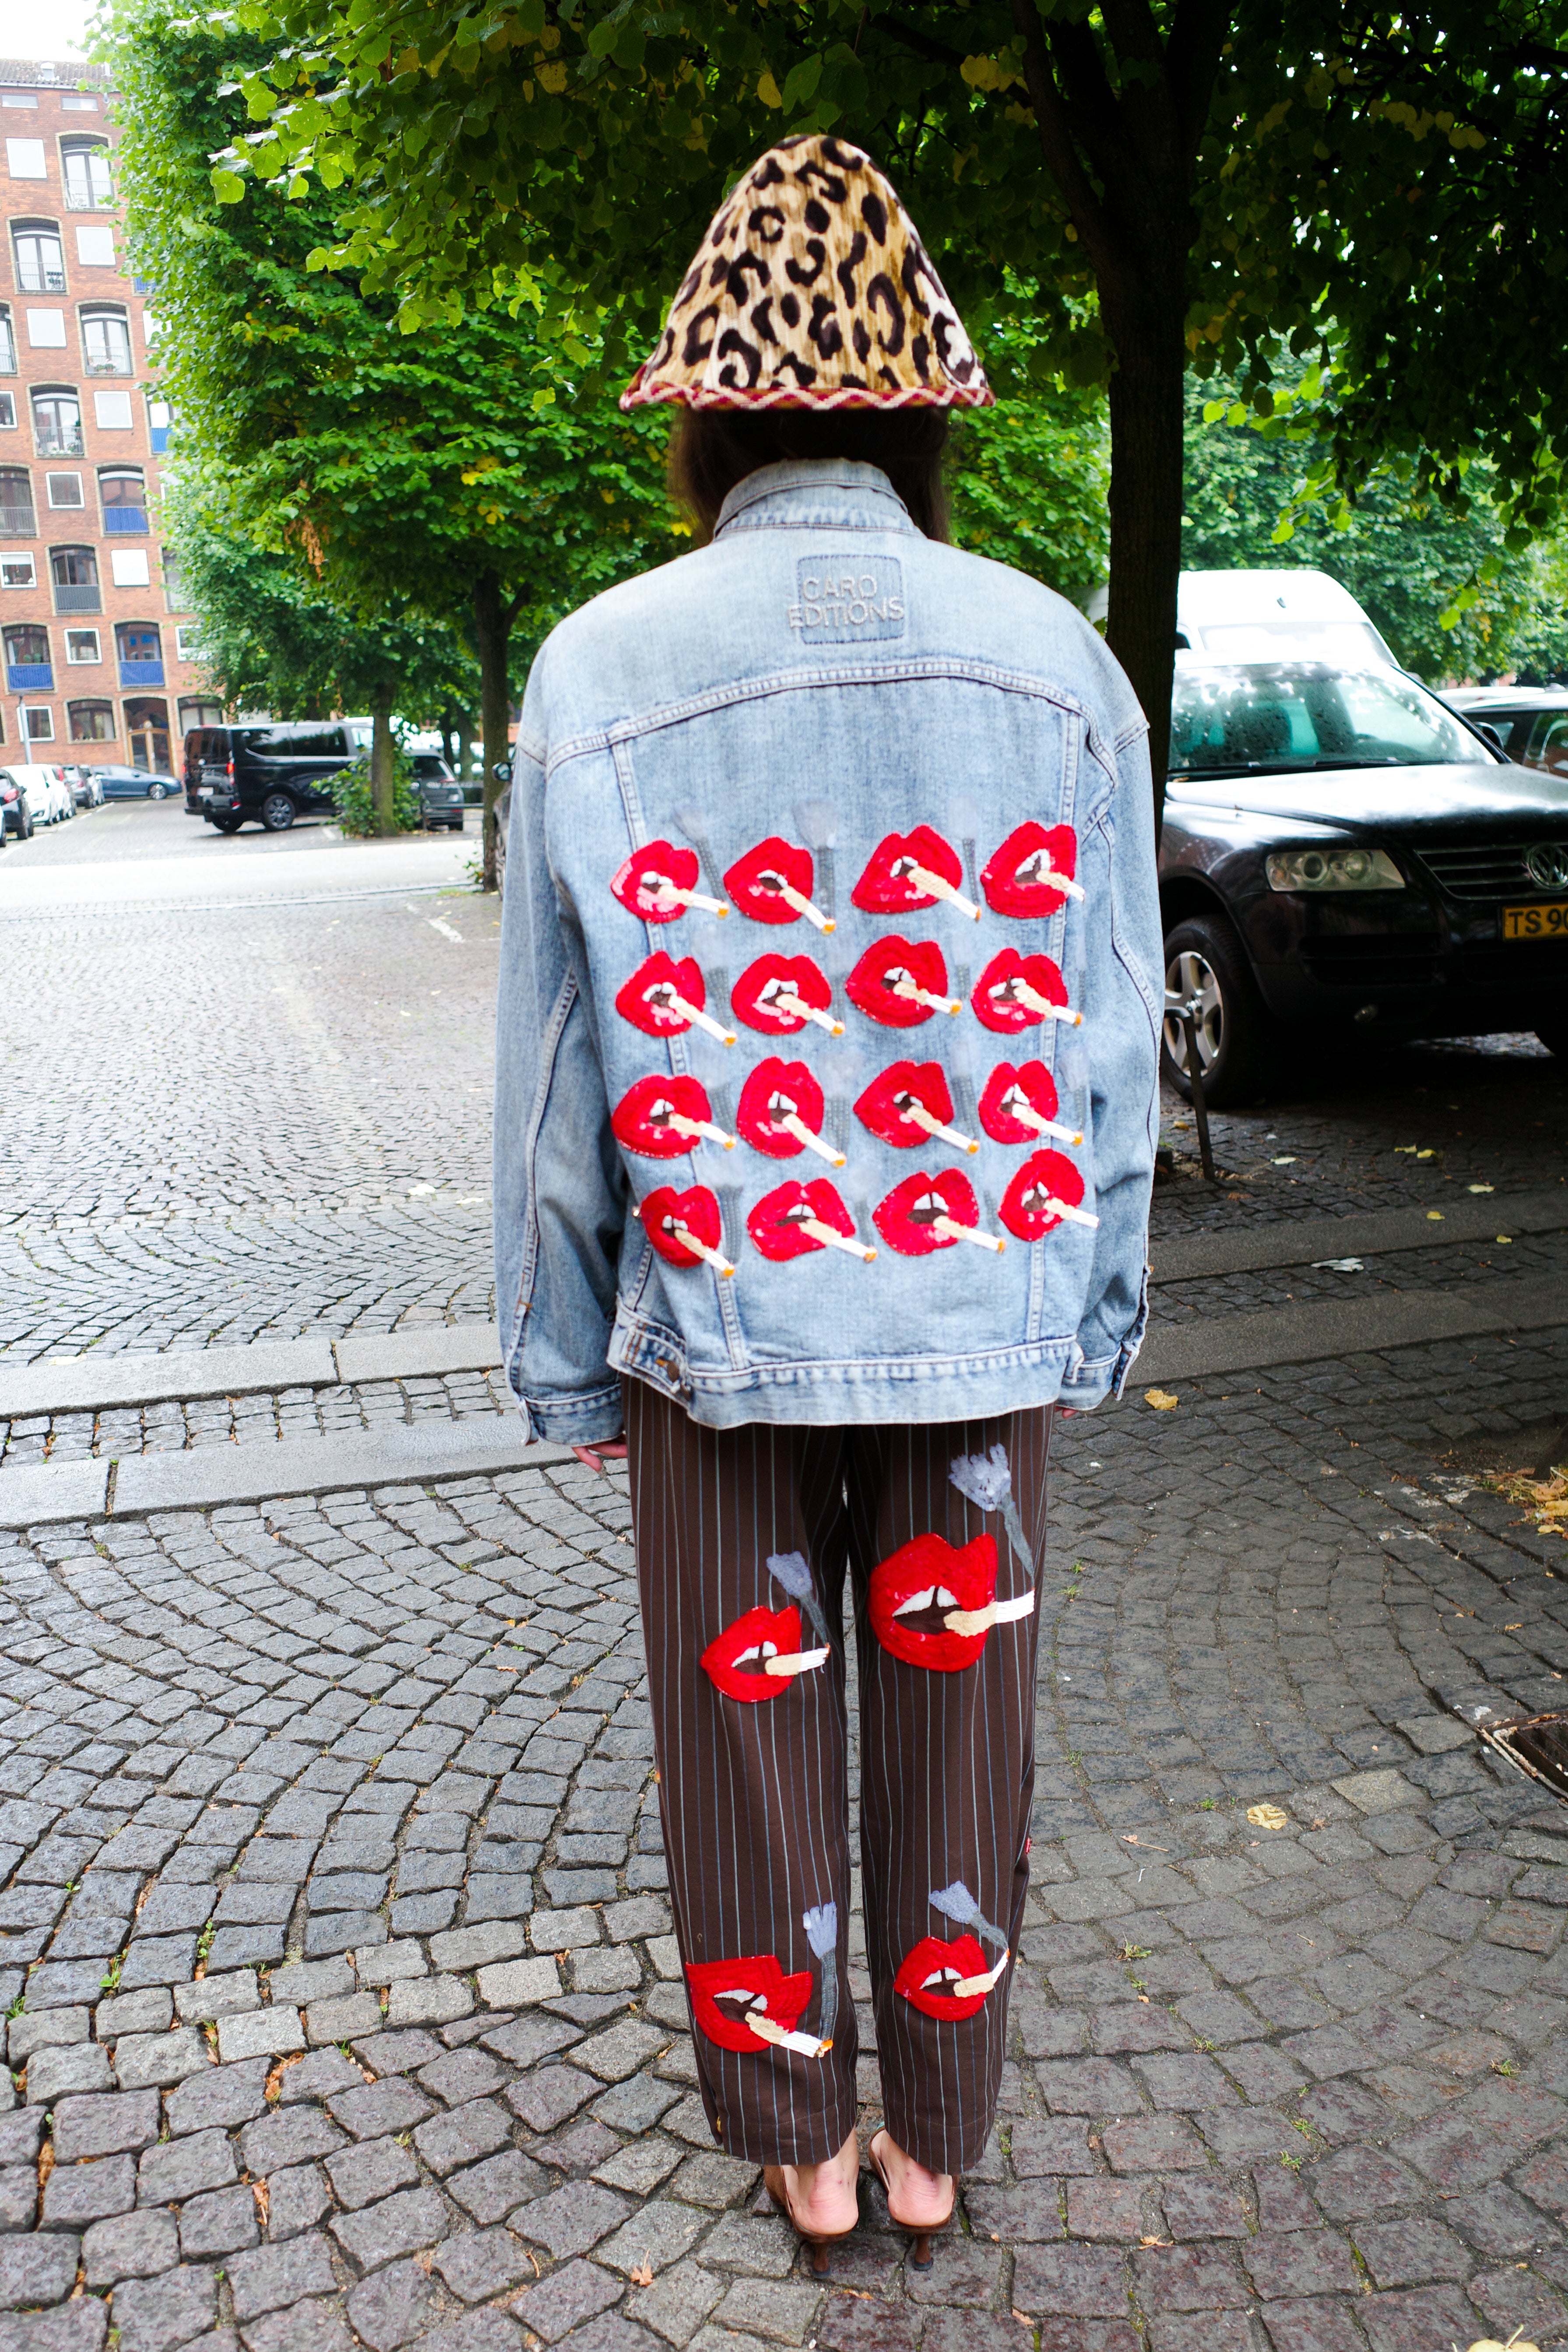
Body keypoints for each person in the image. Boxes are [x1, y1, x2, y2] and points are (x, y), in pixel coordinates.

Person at [494, 134, 1160, 2271]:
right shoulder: (1055, 657)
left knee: (740, 1738)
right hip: (976, 1299)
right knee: (964, 1743)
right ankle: (937, 2137)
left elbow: (551, 1077)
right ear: (920, 412)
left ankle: (799, 2143)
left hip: (716, 1313)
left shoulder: (599, 667)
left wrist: (557, 1340)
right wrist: (1097, 1310)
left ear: (704, 412)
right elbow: (1110, 1039)